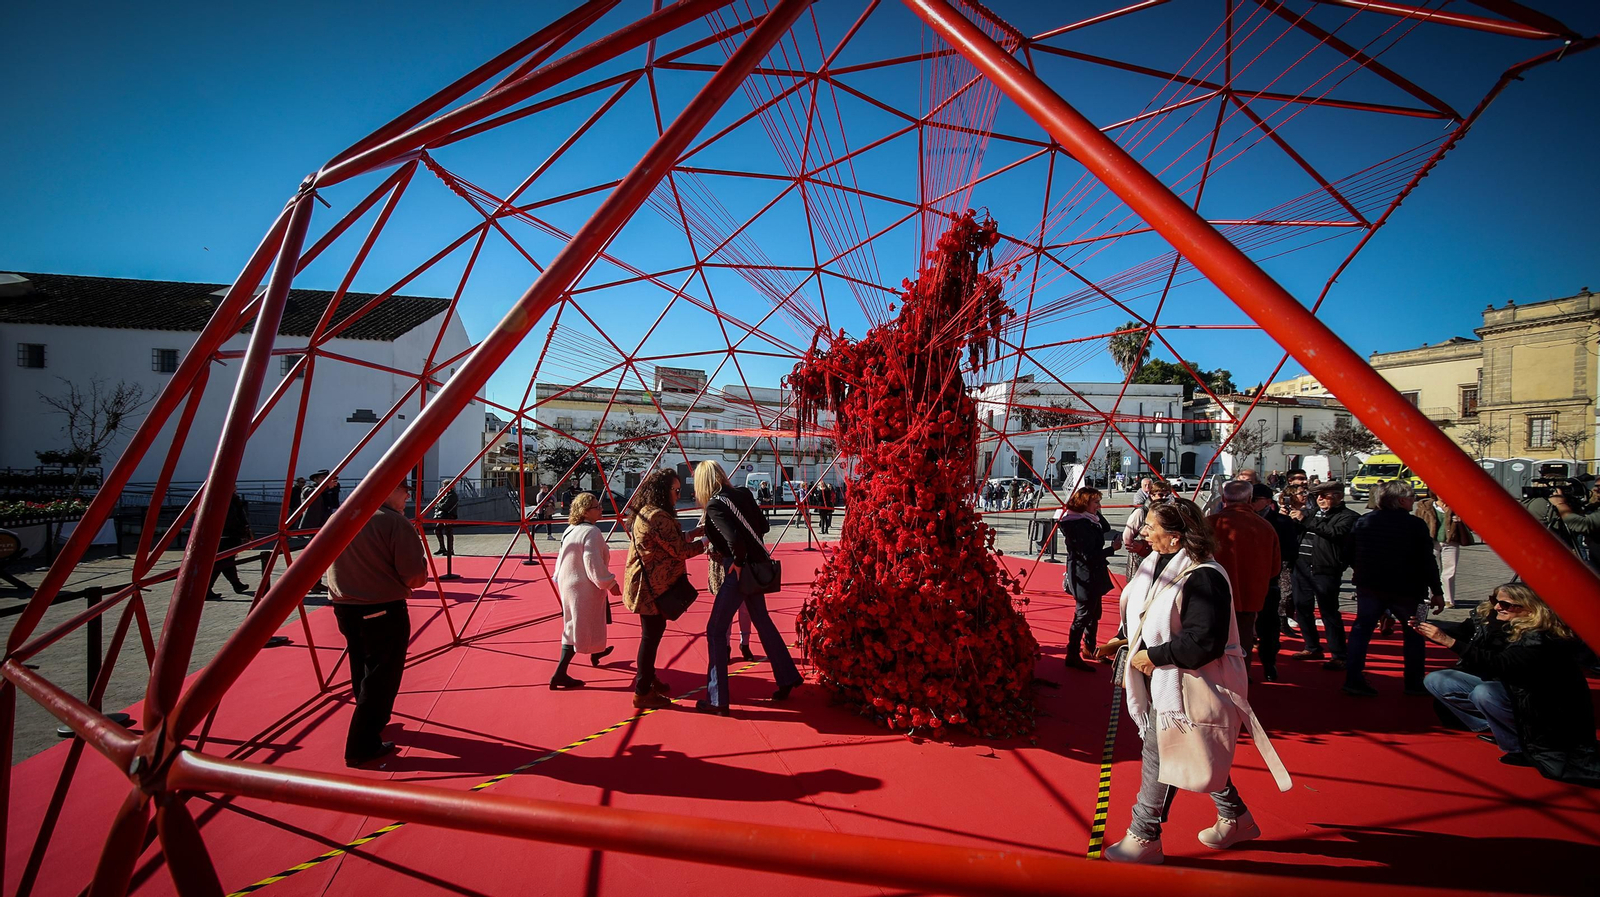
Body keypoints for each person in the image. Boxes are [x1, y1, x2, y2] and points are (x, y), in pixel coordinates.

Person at [1097, 503, 1289, 864]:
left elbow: (1204, 641)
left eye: (1151, 527)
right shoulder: (1157, 566)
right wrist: (1125, 642)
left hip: (1185, 682)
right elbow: (1147, 616)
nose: (1143, 532)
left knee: (1160, 753)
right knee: (1197, 753)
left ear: (1176, 535)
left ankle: (1144, 836)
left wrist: (1152, 657)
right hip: (1165, 677)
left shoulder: (1204, 576)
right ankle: (1236, 818)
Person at [1419, 584, 1597, 773]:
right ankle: (1494, 725)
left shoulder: (1541, 636)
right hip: (1509, 685)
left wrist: (1449, 642)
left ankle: (1519, 747)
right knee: (1437, 680)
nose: (1497, 607)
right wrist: (1430, 632)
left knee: (1484, 693)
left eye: (1506, 604)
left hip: (1544, 705)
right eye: (1495, 600)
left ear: (1530, 608)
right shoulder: (1488, 618)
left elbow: (1501, 663)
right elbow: (1464, 635)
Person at [328, 477, 430, 767]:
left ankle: (371, 721)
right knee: (381, 677)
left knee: (361, 666)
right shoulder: (393, 523)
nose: (408, 498)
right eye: (405, 491)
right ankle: (362, 743)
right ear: (390, 490)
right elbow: (413, 574)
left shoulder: (342, 515)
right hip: (381, 607)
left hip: (345, 606)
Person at [695, 461, 803, 715]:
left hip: (739, 569)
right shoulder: (743, 493)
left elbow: (733, 540)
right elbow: (763, 527)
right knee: (762, 621)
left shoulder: (714, 504)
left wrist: (739, 562)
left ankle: (717, 698)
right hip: (756, 566)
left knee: (716, 630)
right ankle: (787, 677)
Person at [1342, 480, 1443, 697]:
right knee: (1415, 633)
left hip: (1370, 585)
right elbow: (1427, 560)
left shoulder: (1364, 521)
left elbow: (1348, 552)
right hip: (1408, 589)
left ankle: (1353, 678)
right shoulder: (1415, 525)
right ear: (1401, 500)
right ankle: (1414, 682)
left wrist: (1361, 569)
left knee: (1361, 630)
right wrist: (1437, 591)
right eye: (1412, 496)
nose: (1414, 500)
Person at [622, 468, 704, 710]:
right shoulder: (658, 516)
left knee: (651, 635)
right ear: (663, 491)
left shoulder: (645, 512)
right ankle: (642, 690)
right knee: (650, 637)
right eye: (676, 490)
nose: (679, 495)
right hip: (653, 590)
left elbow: (666, 542)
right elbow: (679, 550)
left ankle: (647, 677)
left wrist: (692, 534)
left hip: (646, 584)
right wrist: (707, 542)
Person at [1207, 481, 1281, 681]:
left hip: (1212, 596)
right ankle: (1240, 679)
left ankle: (1214, 680)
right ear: (1249, 499)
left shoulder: (1211, 524)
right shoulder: (1264, 526)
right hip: (1249, 596)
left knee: (1211, 638)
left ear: (1223, 499)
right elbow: (1275, 568)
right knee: (1242, 641)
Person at [551, 493, 619, 689]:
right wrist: (609, 583)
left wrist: (558, 577)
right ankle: (560, 673)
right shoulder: (592, 532)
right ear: (585, 511)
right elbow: (593, 563)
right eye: (596, 507)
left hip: (569, 583)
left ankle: (597, 651)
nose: (601, 509)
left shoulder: (570, 529)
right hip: (584, 586)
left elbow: (562, 557)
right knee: (578, 627)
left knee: (589, 620)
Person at [1287, 481, 1357, 669]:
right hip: (1301, 567)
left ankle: (1338, 654)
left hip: (1326, 569)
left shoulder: (1348, 517)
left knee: (1329, 612)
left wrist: (1306, 520)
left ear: (1339, 496)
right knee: (1302, 607)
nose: (1320, 499)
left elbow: (1335, 533)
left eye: (1325, 495)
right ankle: (1312, 646)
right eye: (1317, 495)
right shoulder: (1310, 514)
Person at [1060, 487, 1121, 671]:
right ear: (1084, 503)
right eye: (1095, 502)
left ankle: (1089, 647)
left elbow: (1106, 527)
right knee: (1083, 614)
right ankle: (1072, 654)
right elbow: (1088, 555)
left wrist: (1096, 511)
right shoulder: (1078, 524)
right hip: (1084, 575)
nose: (1099, 506)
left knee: (1094, 613)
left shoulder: (1088, 519)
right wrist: (1112, 549)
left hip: (1092, 573)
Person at [1255, 483, 1297, 681]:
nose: (1251, 503)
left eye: (1255, 500)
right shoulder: (1238, 521)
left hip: (1269, 581)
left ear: (1267, 502)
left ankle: (1269, 662)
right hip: (1241, 581)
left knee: (1269, 626)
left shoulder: (1281, 522)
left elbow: (1290, 551)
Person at [1413, 490, 1472, 608]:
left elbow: (1470, 525)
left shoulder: (1457, 507)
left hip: (1451, 542)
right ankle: (1429, 597)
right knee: (1431, 569)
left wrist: (1461, 522)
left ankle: (1448, 599)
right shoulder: (1426, 507)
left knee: (1450, 571)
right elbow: (1417, 523)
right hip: (1431, 542)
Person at [1122, 480, 1172, 578]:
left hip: (1159, 557)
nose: (1165, 498)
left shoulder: (1166, 512)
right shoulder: (1141, 512)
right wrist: (1139, 547)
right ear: (1152, 495)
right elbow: (1127, 537)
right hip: (1141, 558)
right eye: (1161, 495)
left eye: (1167, 495)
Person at [208, 491, 253, 600]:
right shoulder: (226, 501)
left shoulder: (226, 500)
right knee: (222, 562)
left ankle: (236, 584)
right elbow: (232, 519)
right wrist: (242, 531)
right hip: (227, 535)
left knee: (226, 562)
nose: (235, 488)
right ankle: (207, 589)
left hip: (226, 534)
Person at [433, 485, 459, 556]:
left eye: (445, 486)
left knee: (448, 532)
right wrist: (439, 495)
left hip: (449, 515)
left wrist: (438, 503)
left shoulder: (452, 495)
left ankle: (450, 550)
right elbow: (436, 503)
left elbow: (444, 505)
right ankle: (442, 548)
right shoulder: (445, 494)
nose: (443, 488)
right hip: (443, 516)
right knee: (437, 530)